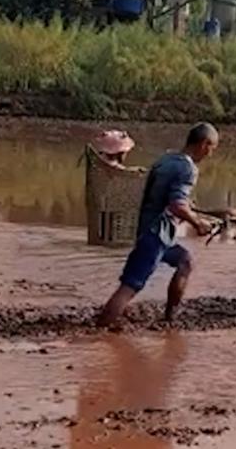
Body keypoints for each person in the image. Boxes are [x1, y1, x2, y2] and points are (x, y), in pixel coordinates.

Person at [97, 123, 220, 327]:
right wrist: (198, 223)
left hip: (155, 232)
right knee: (130, 287)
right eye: (212, 148)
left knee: (185, 262)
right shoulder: (188, 168)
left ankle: (169, 319)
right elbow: (176, 205)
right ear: (204, 144)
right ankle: (97, 334)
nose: (210, 154)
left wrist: (189, 208)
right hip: (156, 235)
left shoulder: (167, 158)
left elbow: (162, 196)